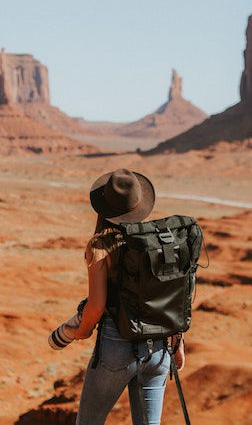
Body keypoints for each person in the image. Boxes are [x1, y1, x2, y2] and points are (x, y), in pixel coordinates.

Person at [74, 168, 185, 425]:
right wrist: (178, 343)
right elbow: (173, 297)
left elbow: (97, 305)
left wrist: (81, 330)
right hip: (159, 348)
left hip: (116, 347)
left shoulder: (100, 246)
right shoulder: (158, 243)